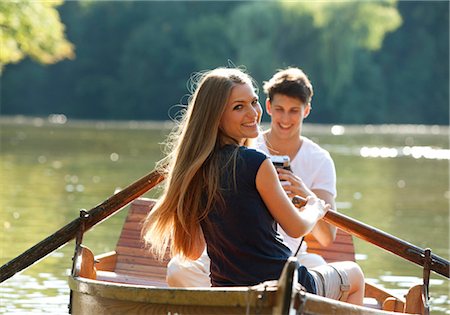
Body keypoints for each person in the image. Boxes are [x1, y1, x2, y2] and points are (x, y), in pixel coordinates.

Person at [142, 67, 364, 305]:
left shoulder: (194, 170)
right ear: (216, 116)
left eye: (253, 102)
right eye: (239, 107)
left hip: (227, 291)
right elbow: (296, 227)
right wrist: (314, 207)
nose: (253, 113)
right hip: (281, 285)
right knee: (355, 275)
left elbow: (194, 250)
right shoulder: (256, 162)